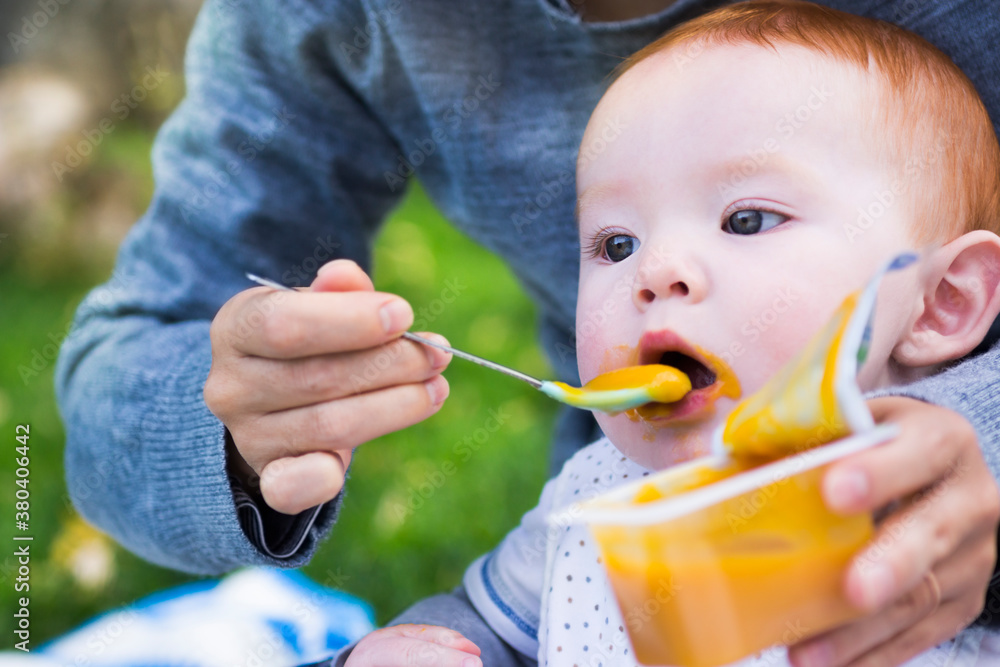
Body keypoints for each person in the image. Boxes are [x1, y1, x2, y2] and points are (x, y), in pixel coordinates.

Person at [52, 0, 1000, 664]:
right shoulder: (599, 501)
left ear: (946, 302)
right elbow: (486, 625)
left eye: (748, 220)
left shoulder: (933, 465)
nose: (653, 274)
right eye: (614, 242)